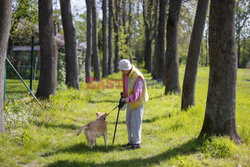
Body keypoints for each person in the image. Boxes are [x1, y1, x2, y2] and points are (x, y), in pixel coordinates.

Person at [118, 59, 149, 149]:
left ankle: (136, 143)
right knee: (129, 122)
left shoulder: (137, 76)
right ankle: (131, 142)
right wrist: (124, 94)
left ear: (128, 68)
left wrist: (129, 98)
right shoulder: (126, 74)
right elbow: (128, 86)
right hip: (130, 101)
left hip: (137, 102)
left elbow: (137, 93)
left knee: (136, 123)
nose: (122, 72)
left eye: (123, 70)